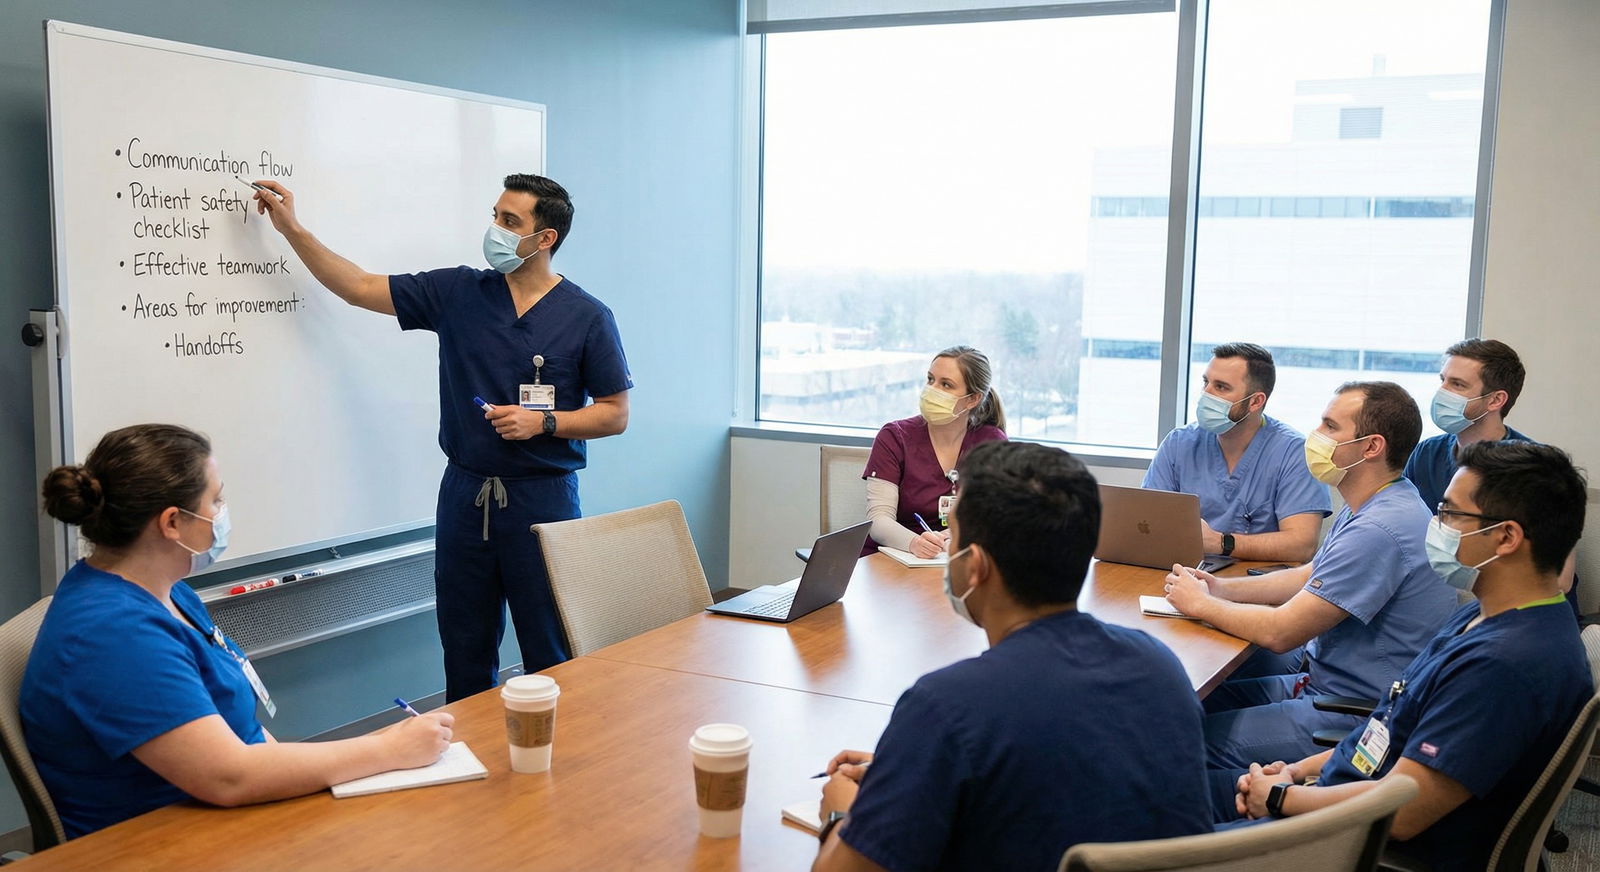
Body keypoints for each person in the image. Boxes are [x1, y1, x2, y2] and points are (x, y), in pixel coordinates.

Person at [253, 174, 632, 701]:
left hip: (542, 499)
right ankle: (466, 763)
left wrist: (543, 422)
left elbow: (614, 414)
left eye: (510, 221)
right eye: (495, 215)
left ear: (544, 239)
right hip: (465, 496)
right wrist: (291, 228)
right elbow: (358, 286)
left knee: (549, 648)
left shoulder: (588, 317)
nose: (494, 229)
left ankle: (554, 764)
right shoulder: (458, 292)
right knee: (464, 644)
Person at [23, 424, 454, 839]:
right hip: (161, 842)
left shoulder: (169, 592)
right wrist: (387, 750)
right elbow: (228, 777)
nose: (223, 513)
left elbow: (242, 734)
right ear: (172, 522)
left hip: (223, 817)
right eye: (217, 500)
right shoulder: (113, 635)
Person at [813, 441, 1211, 872]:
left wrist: (840, 812)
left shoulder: (944, 706)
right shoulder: (1160, 666)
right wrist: (913, 768)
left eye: (954, 543)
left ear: (974, 567)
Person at [1218, 441, 1592, 872]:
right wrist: (1294, 772)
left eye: (1451, 514)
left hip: (1361, 844)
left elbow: (1403, 812)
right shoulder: (1488, 614)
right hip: (1339, 795)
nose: (1437, 525)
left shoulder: (1505, 665)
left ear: (1506, 537)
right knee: (1192, 793)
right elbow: (1389, 726)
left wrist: (1281, 798)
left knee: (1172, 809)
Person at [1164, 382, 1457, 769]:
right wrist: (1223, 589)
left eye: (1330, 426)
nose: (1316, 435)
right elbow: (1312, 574)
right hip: (1323, 685)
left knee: (1179, 746)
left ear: (1371, 447)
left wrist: (1202, 604)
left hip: (1355, 711)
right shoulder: (1378, 502)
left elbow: (1281, 633)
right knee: (1179, 706)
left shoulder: (1380, 528)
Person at [1403, 338, 1580, 617]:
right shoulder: (1427, 454)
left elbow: (1560, 579)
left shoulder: (1536, 467)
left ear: (1496, 399)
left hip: (1522, 615)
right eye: (1443, 381)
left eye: (1457, 385)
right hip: (1446, 609)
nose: (1442, 393)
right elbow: (1405, 538)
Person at [1143, 342, 1330, 564]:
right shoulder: (1179, 442)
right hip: (1183, 573)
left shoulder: (1294, 452)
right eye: (1206, 382)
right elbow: (1148, 523)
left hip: (1257, 583)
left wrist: (1221, 543)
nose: (1206, 394)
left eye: (1221, 387)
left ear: (1255, 401)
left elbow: (1301, 546)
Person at [861, 346, 1006, 559]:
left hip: (958, 558)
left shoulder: (991, 443)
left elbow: (994, 516)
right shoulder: (894, 436)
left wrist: (951, 536)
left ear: (973, 399)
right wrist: (915, 543)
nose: (932, 389)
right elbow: (879, 520)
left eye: (946, 384)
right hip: (893, 556)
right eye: (930, 380)